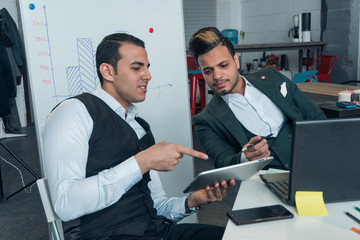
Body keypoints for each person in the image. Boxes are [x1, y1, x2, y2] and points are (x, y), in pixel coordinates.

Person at [42, 33, 235, 240]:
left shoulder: (138, 127)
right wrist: (142, 162)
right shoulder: (74, 112)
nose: (147, 75)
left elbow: (156, 207)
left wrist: (193, 201)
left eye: (147, 67)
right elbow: (65, 204)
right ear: (107, 71)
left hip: (156, 233)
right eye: (136, 68)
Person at [187, 27, 326, 170]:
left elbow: (315, 117)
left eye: (223, 65)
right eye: (208, 71)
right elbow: (223, 163)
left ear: (236, 60)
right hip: (266, 183)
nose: (217, 76)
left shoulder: (271, 76)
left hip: (314, 160)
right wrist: (245, 157)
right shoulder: (205, 121)